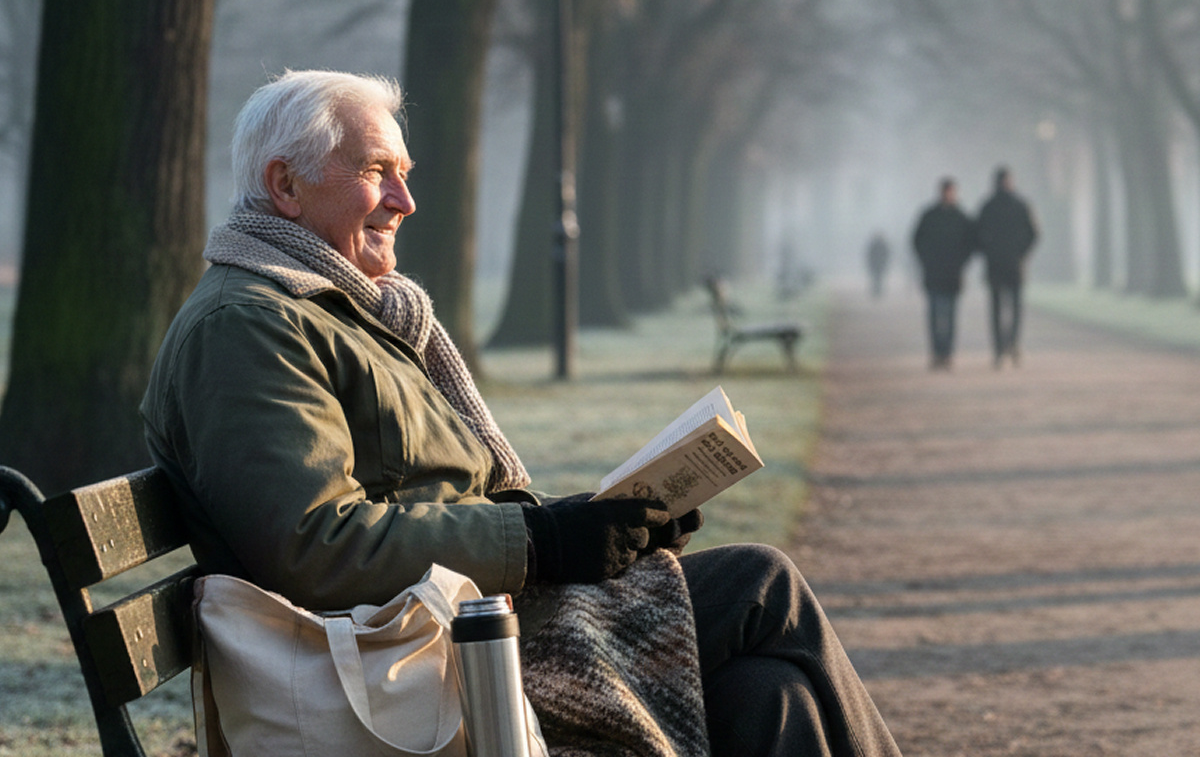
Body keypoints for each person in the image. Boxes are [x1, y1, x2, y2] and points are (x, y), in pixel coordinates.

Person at [141, 70, 902, 757]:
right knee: (763, 584)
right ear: (286, 184)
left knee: (769, 697)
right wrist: (541, 541)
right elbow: (312, 546)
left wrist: (600, 529)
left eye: (405, 176)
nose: (406, 202)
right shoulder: (247, 325)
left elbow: (425, 498)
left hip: (466, 626)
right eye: (379, 174)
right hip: (419, 663)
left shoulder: (340, 311)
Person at [976, 166, 1038, 368]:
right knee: (1004, 308)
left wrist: (1020, 252)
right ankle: (1003, 346)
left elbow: (1032, 234)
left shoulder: (995, 206)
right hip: (1007, 264)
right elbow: (977, 235)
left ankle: (1008, 344)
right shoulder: (1016, 205)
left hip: (1006, 263)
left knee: (1009, 308)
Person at [911, 178, 975, 370]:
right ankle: (936, 352)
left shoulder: (962, 217)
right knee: (933, 315)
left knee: (950, 315)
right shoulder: (929, 216)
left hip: (953, 275)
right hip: (933, 274)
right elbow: (916, 241)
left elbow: (971, 244)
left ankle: (947, 353)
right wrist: (926, 261)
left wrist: (961, 263)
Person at [865, 232, 891, 299]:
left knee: (877, 278)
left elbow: (869, 255)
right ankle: (877, 291)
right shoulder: (882, 245)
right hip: (879, 264)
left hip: (877, 264)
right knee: (878, 278)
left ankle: (877, 291)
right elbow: (886, 255)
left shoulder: (874, 245)